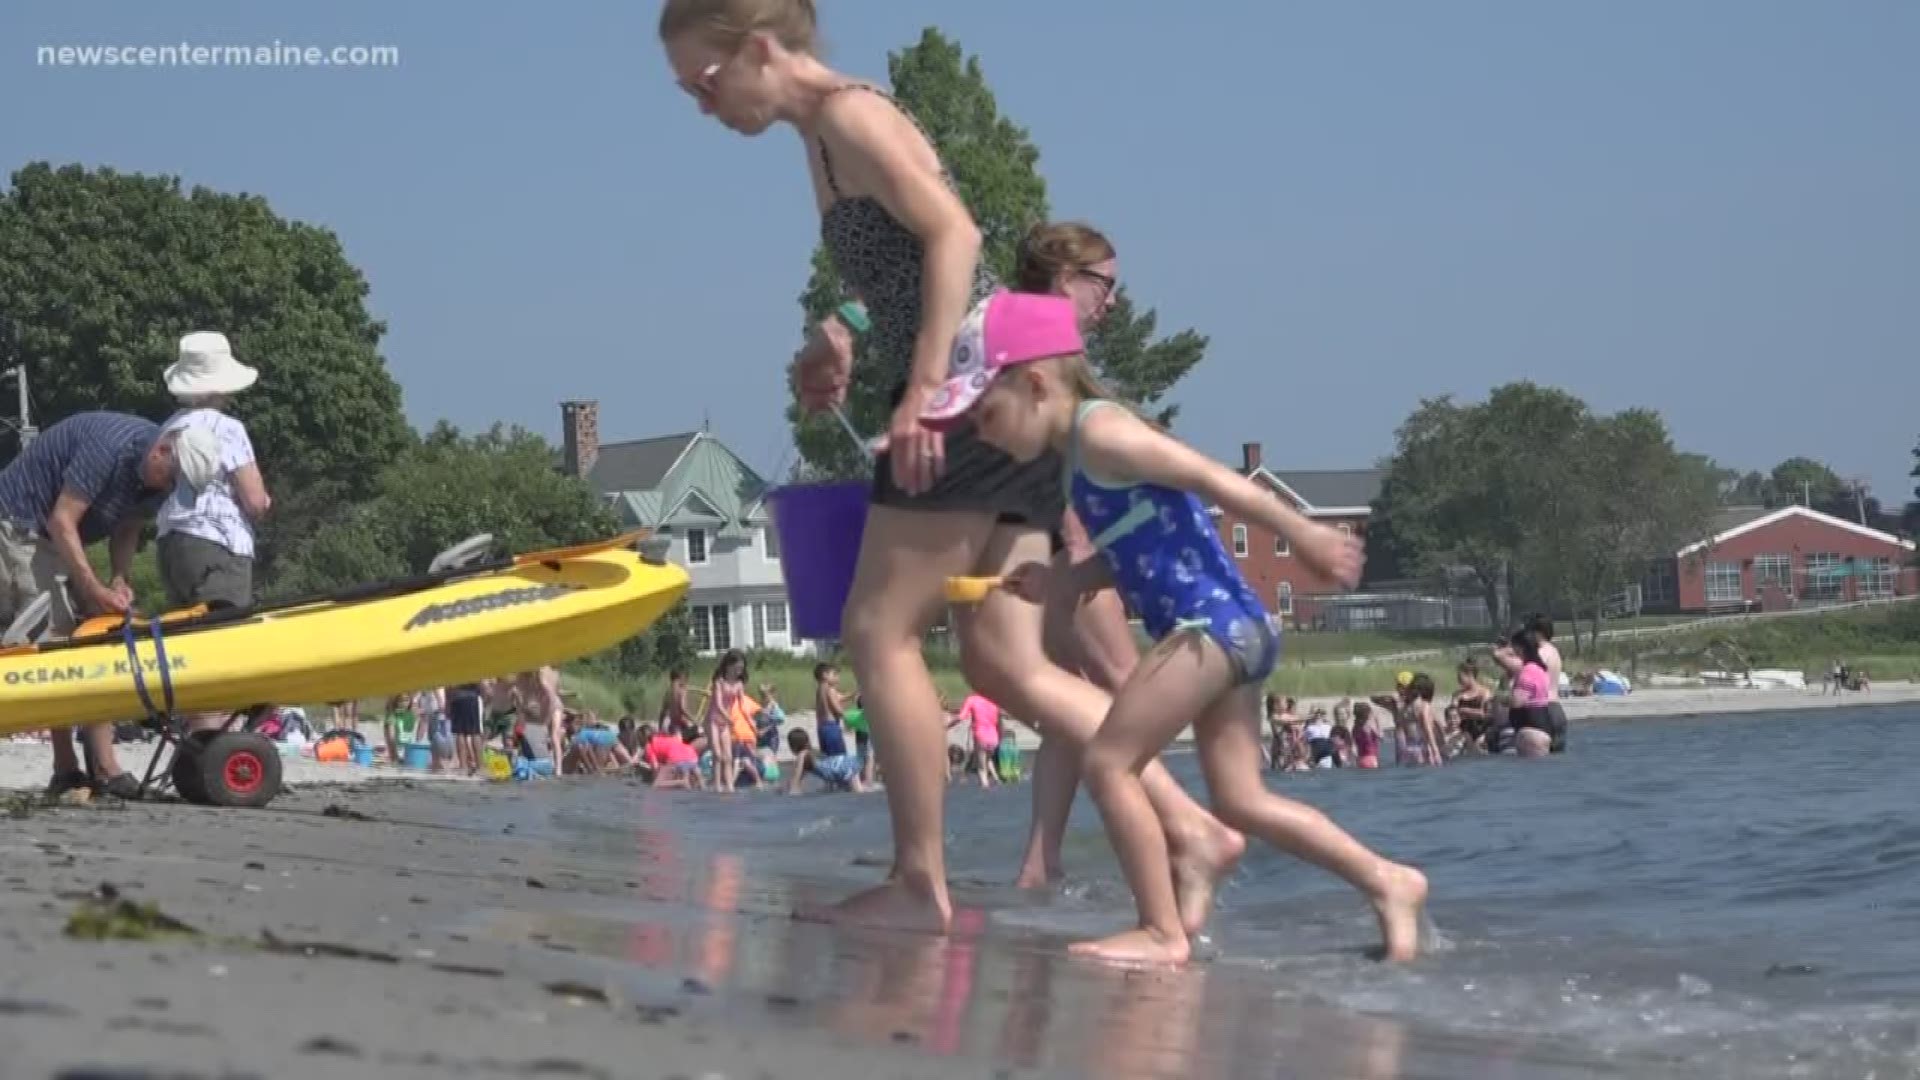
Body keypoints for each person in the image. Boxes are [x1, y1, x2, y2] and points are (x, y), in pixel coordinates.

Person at [661, 0, 1238, 932]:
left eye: (705, 80)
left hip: (969, 396)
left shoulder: (851, 116)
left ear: (760, 49)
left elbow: (956, 236)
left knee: (877, 630)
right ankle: (1192, 828)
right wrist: (839, 337)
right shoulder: (822, 138)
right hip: (1004, 399)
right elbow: (884, 268)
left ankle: (918, 883)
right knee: (1005, 663)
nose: (699, 103)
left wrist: (926, 390)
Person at [926, 288, 1427, 964]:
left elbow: (1214, 480)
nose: (978, 431)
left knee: (1108, 761)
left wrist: (1302, 534)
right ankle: (1388, 881)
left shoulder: (1101, 432)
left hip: (1209, 629)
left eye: (984, 412)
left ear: (1036, 383)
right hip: (1232, 632)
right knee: (1241, 799)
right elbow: (1137, 544)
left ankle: (1161, 932)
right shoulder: (1076, 464)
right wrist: (1063, 580)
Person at [1008, 221, 1243, 892]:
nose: (1113, 301)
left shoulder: (1036, 333)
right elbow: (1060, 440)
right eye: (1105, 286)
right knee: (1109, 682)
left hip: (1049, 531)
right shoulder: (1041, 336)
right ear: (1065, 280)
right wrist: (1081, 535)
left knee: (1078, 693)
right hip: (1058, 531)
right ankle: (1187, 829)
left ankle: (1047, 861)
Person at [0, 411, 220, 798]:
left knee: (101, 634)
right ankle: (66, 768)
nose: (171, 489)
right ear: (161, 451)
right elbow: (62, 520)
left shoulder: (159, 479)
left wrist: (118, 579)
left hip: (58, 534)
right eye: (172, 479)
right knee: (56, 640)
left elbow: (128, 527)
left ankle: (104, 766)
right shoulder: (109, 448)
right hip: (21, 524)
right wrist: (90, 583)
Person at [155, 331, 273, 735]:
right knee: (222, 639)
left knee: (191, 642)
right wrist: (263, 506)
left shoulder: (168, 428)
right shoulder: (228, 428)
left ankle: (197, 735)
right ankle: (217, 739)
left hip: (173, 541)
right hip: (217, 542)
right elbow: (254, 499)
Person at [1493, 630, 1556, 758]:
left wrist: (1500, 698)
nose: (1512, 650)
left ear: (1520, 647)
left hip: (1530, 729)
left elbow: (1517, 702)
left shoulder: (1527, 671)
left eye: (1513, 646)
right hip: (1541, 724)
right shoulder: (1540, 669)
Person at [1525, 613, 1570, 752]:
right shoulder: (1554, 651)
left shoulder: (1540, 652)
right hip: (1556, 708)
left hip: (1542, 709)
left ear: (1537, 632)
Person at [704, 650, 747, 791]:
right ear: (729, 666)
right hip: (713, 721)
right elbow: (718, 704)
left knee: (728, 756)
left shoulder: (739, 684)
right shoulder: (719, 682)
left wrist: (750, 721)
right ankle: (717, 786)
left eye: (742, 668)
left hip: (725, 723)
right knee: (717, 754)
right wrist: (728, 718)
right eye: (738, 667)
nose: (740, 671)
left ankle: (729, 786)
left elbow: (743, 706)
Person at [446, 681, 487, 775]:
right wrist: (483, 700)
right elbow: (483, 686)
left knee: (460, 733)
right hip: (472, 698)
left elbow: (449, 686)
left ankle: (463, 767)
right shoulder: (472, 667)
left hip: (457, 698)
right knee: (475, 732)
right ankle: (480, 767)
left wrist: (447, 703)